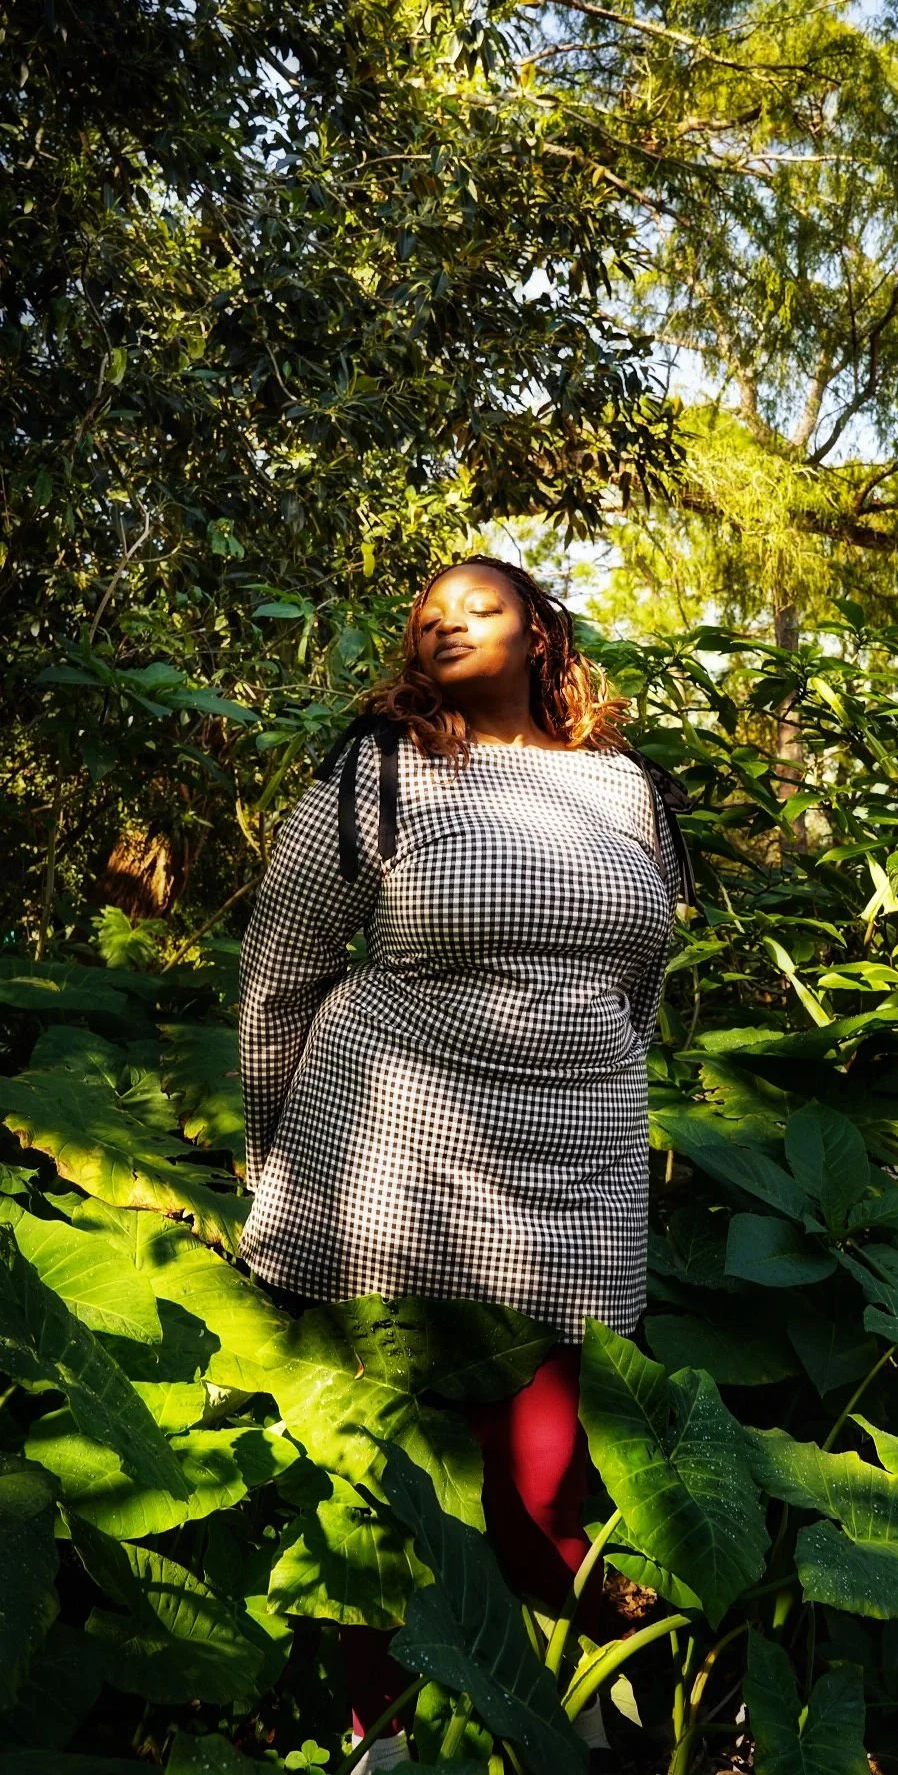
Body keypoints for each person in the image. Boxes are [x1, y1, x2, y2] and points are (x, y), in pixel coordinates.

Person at [237, 555, 685, 1771]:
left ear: (540, 632)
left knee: (545, 1488)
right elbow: (280, 967)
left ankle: (580, 1726)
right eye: (427, 615)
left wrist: (595, 1080)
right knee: (388, 1485)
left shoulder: (627, 789)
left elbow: (640, 986)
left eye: (478, 606)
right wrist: (272, 1146)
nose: (446, 624)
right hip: (391, 1152)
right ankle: (377, 1740)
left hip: (577, 1168)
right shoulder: (381, 770)